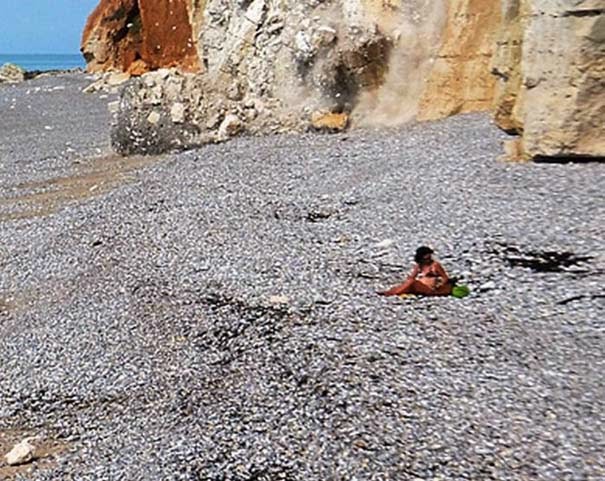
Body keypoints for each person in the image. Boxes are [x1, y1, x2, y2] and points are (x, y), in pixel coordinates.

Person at [378, 246, 452, 296]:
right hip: (422, 286)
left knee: (411, 282)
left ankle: (391, 293)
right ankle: (391, 292)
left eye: (429, 257)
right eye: (426, 258)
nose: (428, 259)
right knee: (409, 283)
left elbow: (445, 277)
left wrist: (439, 285)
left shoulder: (435, 265)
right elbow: (413, 276)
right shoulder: (419, 265)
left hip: (431, 288)